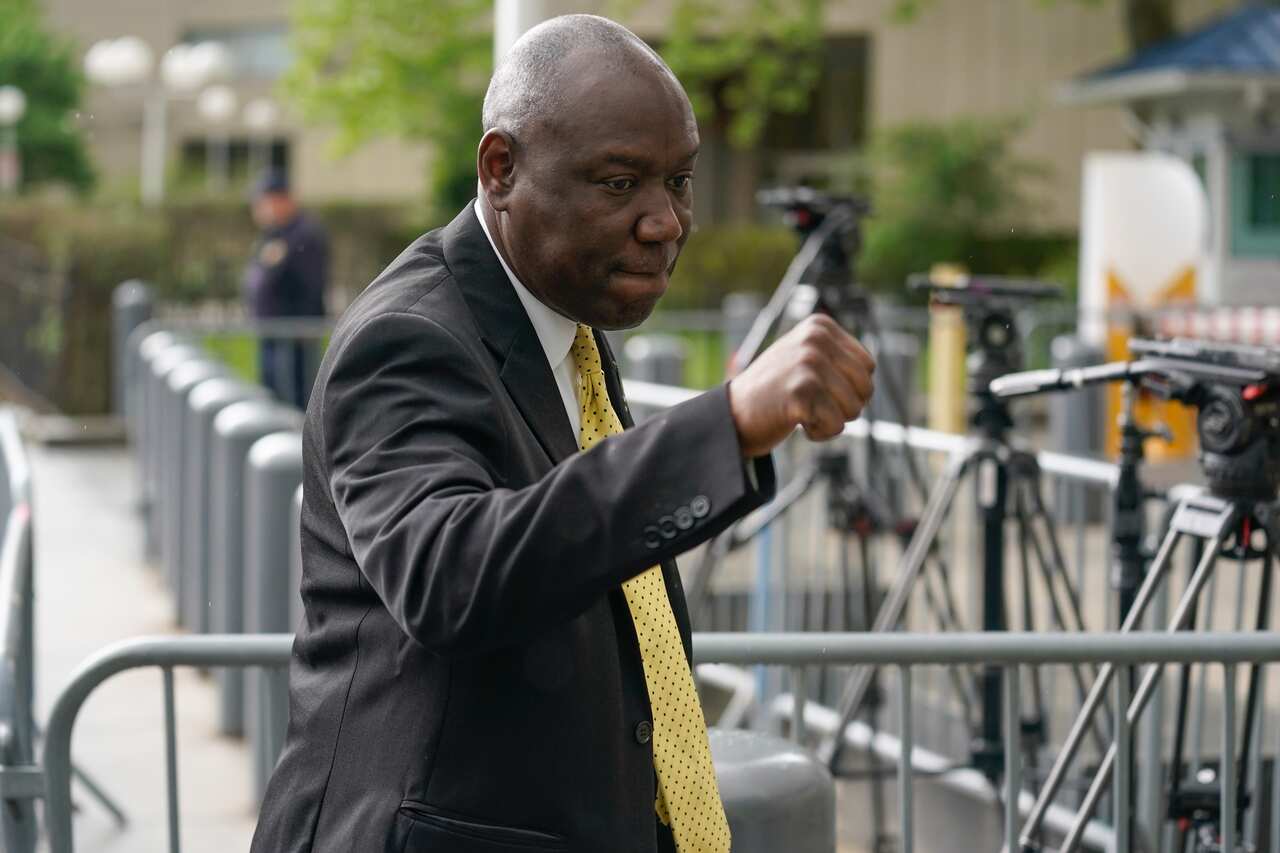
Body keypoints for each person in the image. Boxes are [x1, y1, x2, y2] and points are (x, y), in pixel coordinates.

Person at [251, 14, 875, 853]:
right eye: (620, 185)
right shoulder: (408, 339)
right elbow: (452, 573)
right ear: (501, 169)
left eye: (679, 181)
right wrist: (726, 422)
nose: (666, 222)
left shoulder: (565, 322)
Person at [242, 168, 329, 409]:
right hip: (273, 333)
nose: (258, 210)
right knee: (274, 398)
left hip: (294, 335)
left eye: (263, 203)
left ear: (282, 200)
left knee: (293, 401)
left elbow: (307, 285)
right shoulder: (274, 235)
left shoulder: (303, 234)